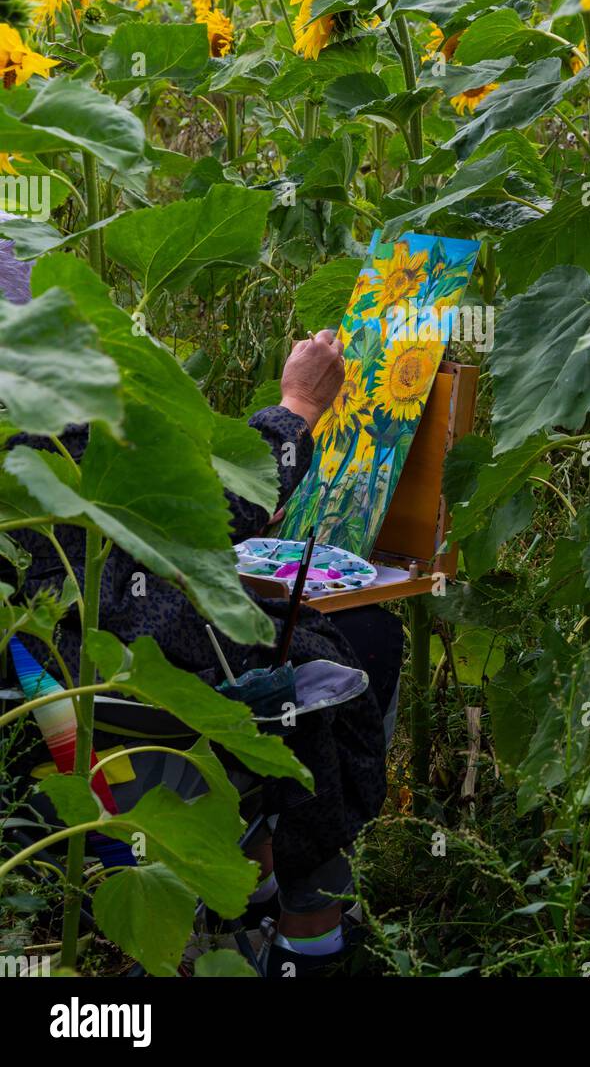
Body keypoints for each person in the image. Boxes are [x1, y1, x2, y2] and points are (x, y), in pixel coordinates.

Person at [0, 251, 403, 976]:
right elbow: (206, 515)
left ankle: (258, 897)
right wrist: (297, 409)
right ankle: (297, 924)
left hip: (46, 701)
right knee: (345, 663)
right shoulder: (48, 420)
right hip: (130, 700)